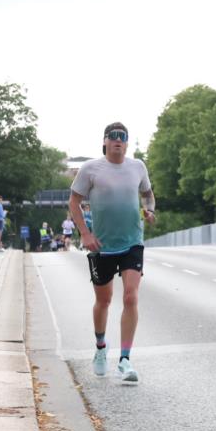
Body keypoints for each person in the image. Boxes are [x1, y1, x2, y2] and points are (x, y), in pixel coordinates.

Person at [70, 122, 156, 384]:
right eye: (114, 136)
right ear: (105, 141)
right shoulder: (90, 169)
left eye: (123, 137)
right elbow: (74, 201)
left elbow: (148, 194)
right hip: (102, 246)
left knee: (130, 297)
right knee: (104, 300)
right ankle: (100, 347)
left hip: (132, 242)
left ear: (127, 143)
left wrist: (150, 209)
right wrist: (85, 234)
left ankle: (125, 360)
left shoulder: (137, 167)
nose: (118, 140)